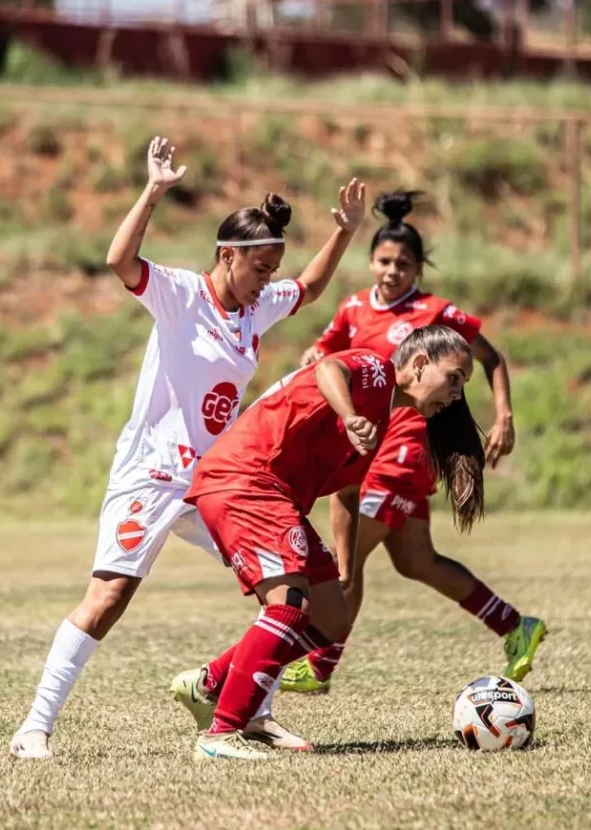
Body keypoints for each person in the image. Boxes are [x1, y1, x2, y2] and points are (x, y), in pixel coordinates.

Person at [9, 137, 367, 759]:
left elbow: (309, 286)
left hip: (217, 482)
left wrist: (345, 231)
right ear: (228, 255)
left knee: (286, 592)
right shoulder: (179, 293)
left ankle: (252, 713)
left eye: (272, 272)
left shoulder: (256, 308)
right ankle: (33, 728)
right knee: (108, 598)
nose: (267, 283)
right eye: (260, 269)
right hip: (150, 475)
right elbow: (119, 260)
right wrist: (152, 192)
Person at [171, 325, 485, 760]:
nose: (456, 393)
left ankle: (208, 684)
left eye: (463, 383)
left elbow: (348, 494)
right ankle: (220, 735)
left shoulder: (384, 419)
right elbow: (328, 369)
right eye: (454, 377)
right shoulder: (375, 370)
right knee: (289, 605)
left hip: (274, 495)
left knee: (332, 617)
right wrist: (349, 415)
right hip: (245, 480)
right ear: (418, 364)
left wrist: (346, 565)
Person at [280, 190, 546, 696]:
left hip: (402, 452)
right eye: (384, 261)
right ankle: (516, 626)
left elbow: (491, 358)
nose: (392, 271)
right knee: (415, 561)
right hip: (367, 448)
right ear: (371, 262)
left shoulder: (434, 311)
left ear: (418, 268)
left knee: (346, 560)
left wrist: (504, 416)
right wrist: (313, 353)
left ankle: (318, 665)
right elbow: (327, 352)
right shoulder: (354, 307)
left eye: (403, 263)